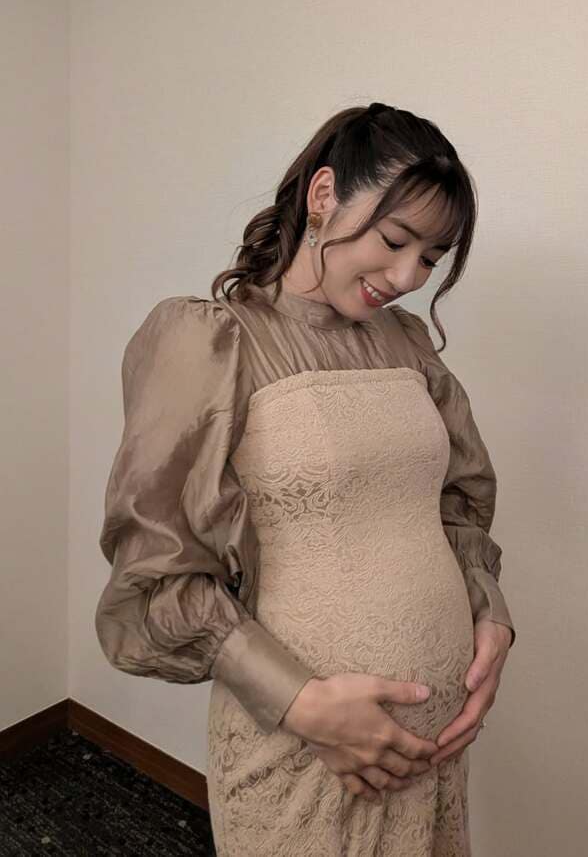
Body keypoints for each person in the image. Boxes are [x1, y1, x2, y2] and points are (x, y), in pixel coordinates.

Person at [95, 102, 516, 856]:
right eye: (395, 240)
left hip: (435, 752)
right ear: (324, 195)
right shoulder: (211, 341)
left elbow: (454, 504)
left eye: (431, 257)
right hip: (304, 751)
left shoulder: (408, 345)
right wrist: (302, 705)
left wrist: (490, 616)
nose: (408, 276)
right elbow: (153, 570)